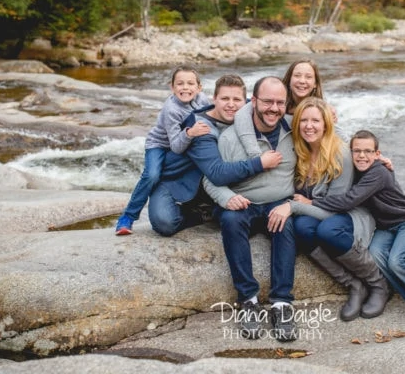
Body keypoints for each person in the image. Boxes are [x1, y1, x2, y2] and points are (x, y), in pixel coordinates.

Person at [301, 129, 405, 327]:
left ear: (377, 154)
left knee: (397, 262)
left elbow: (349, 200)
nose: (362, 156)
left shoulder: (379, 172)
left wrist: (310, 202)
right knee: (374, 255)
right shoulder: (355, 169)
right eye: (357, 151)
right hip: (385, 226)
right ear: (350, 152)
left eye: (367, 151)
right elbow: (333, 135)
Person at [267, 97, 389, 322]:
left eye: (315, 120)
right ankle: (353, 285)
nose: (309, 125)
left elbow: (336, 208)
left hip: (348, 213)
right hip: (315, 211)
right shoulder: (300, 149)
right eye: (303, 120)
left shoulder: (340, 154)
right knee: (302, 227)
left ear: (326, 124)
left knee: (328, 231)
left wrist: (292, 206)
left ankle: (377, 283)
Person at [203, 77, 298, 342]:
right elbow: (210, 179)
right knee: (231, 221)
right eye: (267, 101)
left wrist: (373, 158)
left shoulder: (293, 131)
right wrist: (226, 198)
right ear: (253, 101)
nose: (274, 108)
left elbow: (327, 139)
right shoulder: (230, 137)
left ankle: (282, 304)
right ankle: (248, 300)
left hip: (279, 203)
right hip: (243, 204)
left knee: (287, 223)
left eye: (280, 103)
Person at [146, 74, 282, 236]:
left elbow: (273, 110)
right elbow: (216, 173)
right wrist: (259, 163)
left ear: (245, 102)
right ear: (214, 99)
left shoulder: (249, 111)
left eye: (236, 100)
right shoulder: (201, 127)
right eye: (225, 99)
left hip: (209, 184)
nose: (231, 105)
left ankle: (208, 208)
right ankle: (200, 214)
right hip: (178, 181)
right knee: (164, 222)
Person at [115, 65, 212, 235]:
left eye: (190, 83)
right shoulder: (171, 109)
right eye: (180, 84)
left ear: (199, 87)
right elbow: (176, 146)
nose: (185, 88)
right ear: (172, 87)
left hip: (184, 142)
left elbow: (213, 113)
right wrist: (190, 133)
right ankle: (127, 217)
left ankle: (199, 206)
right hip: (160, 145)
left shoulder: (202, 99)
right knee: (152, 174)